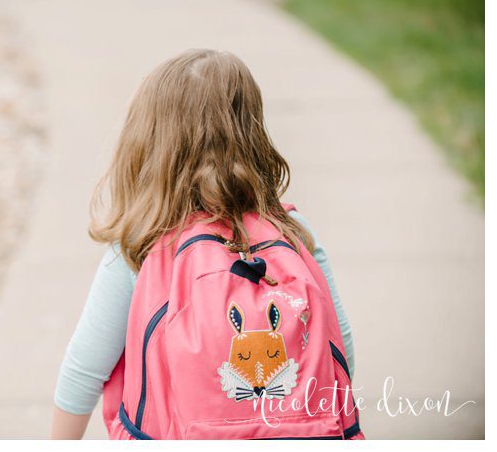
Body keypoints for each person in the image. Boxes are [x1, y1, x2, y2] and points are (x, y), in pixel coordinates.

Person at [51, 50, 355, 439]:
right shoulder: (293, 232)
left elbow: (84, 368)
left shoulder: (142, 248)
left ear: (149, 142)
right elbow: (338, 341)